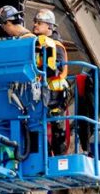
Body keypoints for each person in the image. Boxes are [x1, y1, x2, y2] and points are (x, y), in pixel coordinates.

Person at [32, 9, 70, 155]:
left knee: (57, 130)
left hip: (55, 95)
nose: (35, 25)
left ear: (49, 26)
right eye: (35, 22)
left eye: (39, 23)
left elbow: (56, 68)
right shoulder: (38, 45)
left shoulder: (55, 45)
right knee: (37, 126)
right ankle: (45, 157)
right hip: (42, 92)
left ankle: (59, 159)